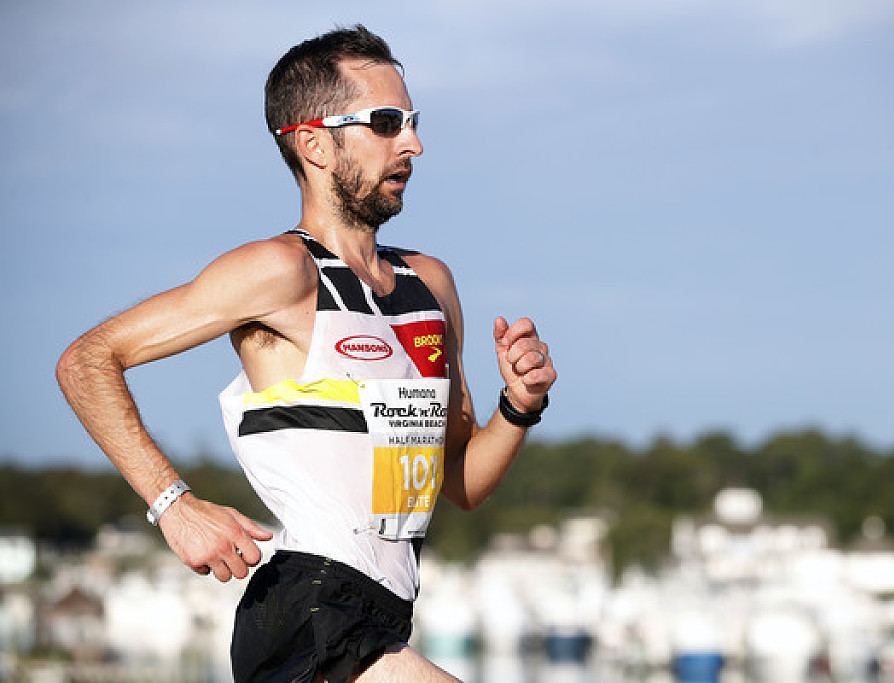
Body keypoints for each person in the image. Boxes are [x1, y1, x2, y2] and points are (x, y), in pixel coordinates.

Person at [56, 25, 556, 682]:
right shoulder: (280, 270)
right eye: (386, 122)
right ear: (314, 143)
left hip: (384, 613)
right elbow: (88, 359)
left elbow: (459, 482)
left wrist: (518, 406)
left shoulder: (431, 285)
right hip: (308, 608)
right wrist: (173, 504)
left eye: (413, 122)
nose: (413, 144)